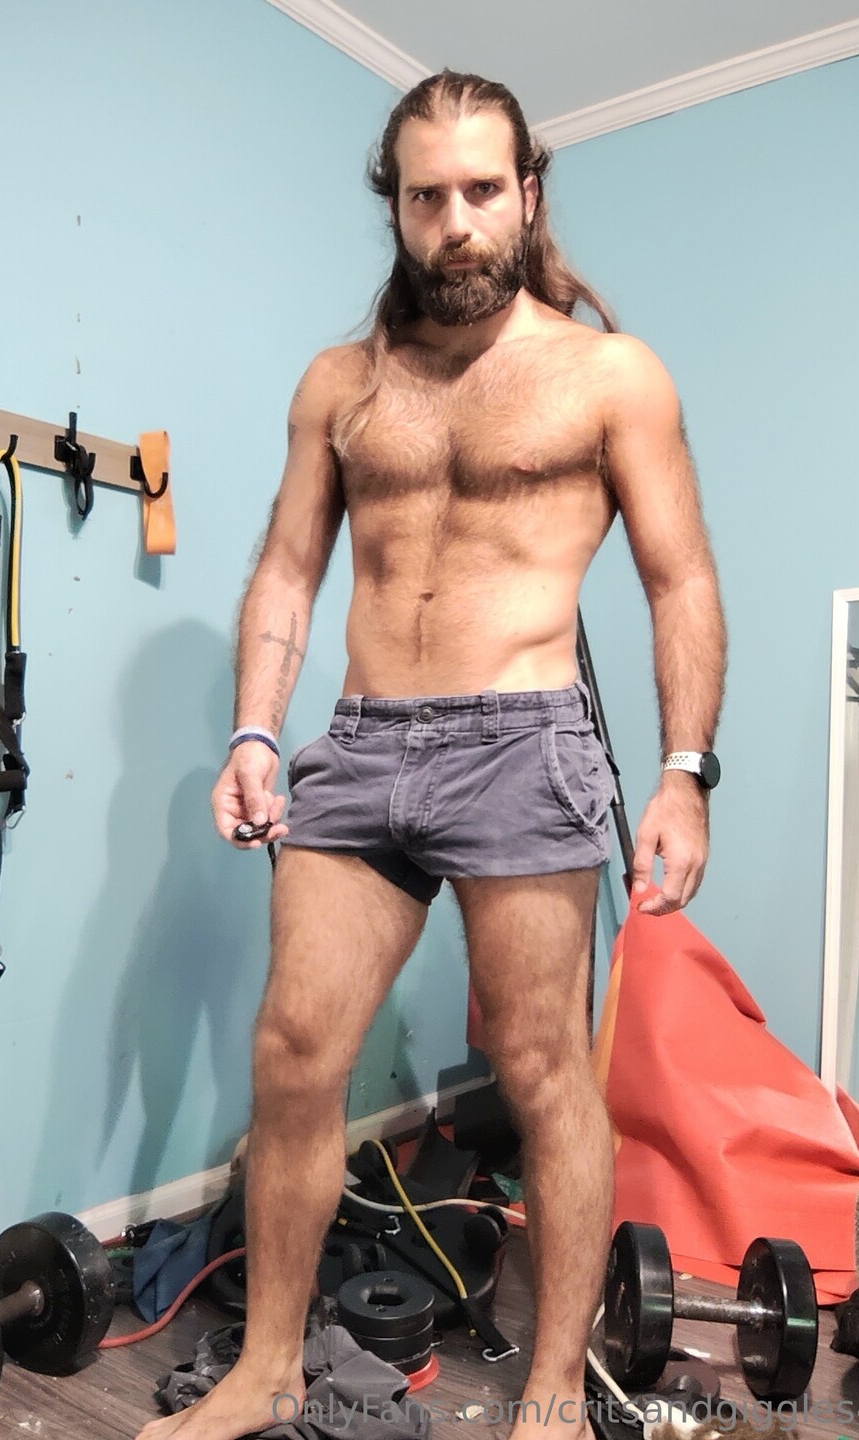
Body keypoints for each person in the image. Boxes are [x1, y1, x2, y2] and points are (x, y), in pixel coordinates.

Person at [140, 70, 725, 1440]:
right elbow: (289, 569)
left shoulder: (609, 377)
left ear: (527, 193)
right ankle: (264, 1371)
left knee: (541, 1068)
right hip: (361, 744)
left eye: (480, 190)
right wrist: (253, 730)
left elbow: (681, 578)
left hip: (525, 739)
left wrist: (686, 772)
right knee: (294, 1051)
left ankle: (553, 1391)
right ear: (394, 208)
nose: (455, 221)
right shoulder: (340, 387)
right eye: (426, 196)